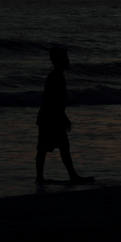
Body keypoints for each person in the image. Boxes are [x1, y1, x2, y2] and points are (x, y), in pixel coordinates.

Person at [36, 47, 93, 184]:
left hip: (52, 116)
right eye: (65, 58)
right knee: (47, 148)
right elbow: (51, 101)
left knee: (60, 146)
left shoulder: (57, 76)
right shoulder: (55, 77)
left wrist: (63, 116)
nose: (68, 60)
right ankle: (41, 178)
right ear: (58, 60)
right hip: (50, 117)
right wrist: (62, 116)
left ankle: (46, 178)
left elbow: (55, 102)